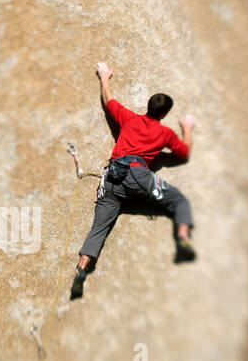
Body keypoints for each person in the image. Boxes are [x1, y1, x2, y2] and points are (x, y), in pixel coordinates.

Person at [70, 62, 196, 301]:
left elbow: (109, 101)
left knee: (98, 228)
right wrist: (187, 128)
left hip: (112, 180)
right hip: (139, 177)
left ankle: (81, 266)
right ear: (164, 114)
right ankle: (183, 238)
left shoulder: (129, 118)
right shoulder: (166, 133)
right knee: (179, 200)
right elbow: (184, 153)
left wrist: (104, 77)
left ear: (148, 106)